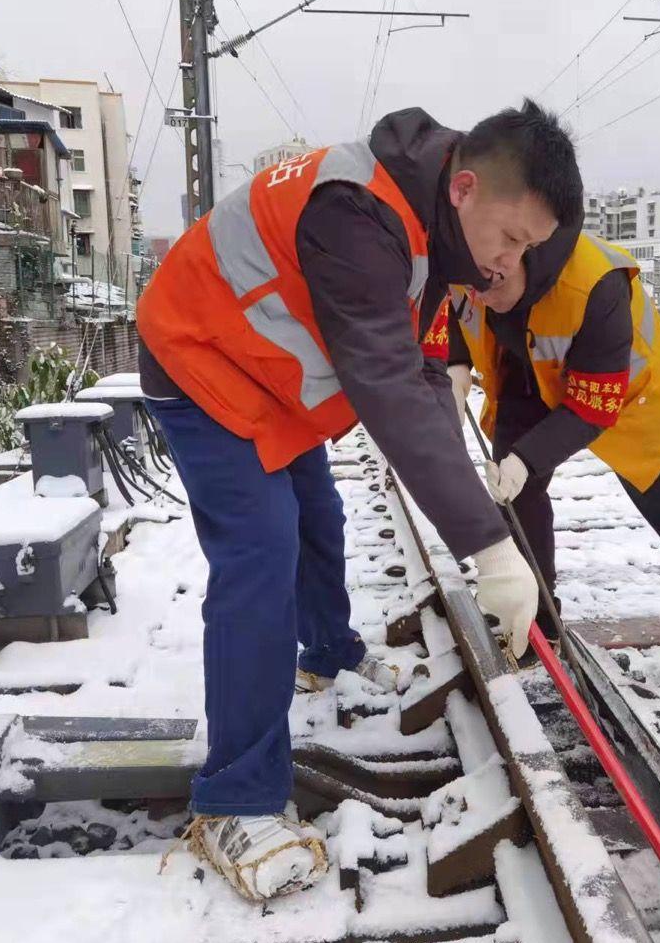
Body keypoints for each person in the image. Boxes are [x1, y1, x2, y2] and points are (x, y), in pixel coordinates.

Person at [136, 100, 581, 902]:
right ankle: (236, 799)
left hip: (269, 376)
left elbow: (415, 375)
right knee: (260, 553)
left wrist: (463, 479)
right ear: (466, 187)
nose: (507, 263)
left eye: (528, 250)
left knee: (317, 518)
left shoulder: (428, 222)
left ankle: (328, 652)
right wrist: (487, 546)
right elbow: (383, 382)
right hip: (202, 359)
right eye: (510, 238)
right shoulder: (358, 214)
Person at [445, 227, 660, 665]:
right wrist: (456, 361)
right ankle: (539, 618)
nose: (482, 296)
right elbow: (456, 306)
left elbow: (593, 408)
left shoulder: (596, 283)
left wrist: (526, 458)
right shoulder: (470, 250)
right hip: (525, 374)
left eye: (492, 284)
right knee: (516, 496)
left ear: (520, 251)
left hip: (625, 390)